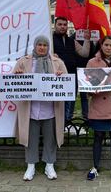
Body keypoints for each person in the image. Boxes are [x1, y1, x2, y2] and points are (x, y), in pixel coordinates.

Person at [13, 35, 67, 181]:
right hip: (30, 109)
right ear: (35, 46)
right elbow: (12, 84)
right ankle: (30, 166)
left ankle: (49, 165)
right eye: (39, 45)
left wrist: (60, 77)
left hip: (50, 109)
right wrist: (18, 76)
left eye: (44, 45)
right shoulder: (23, 61)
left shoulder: (57, 62)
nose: (42, 47)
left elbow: (66, 84)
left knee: (50, 139)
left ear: (48, 47)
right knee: (30, 139)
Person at [86, 36, 111, 182]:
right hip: (99, 106)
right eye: (106, 45)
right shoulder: (92, 62)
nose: (109, 48)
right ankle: (95, 167)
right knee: (98, 137)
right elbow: (87, 86)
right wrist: (92, 89)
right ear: (101, 46)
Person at [53, 17, 90, 122]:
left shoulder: (71, 41)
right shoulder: (50, 40)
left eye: (64, 24)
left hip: (72, 74)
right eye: (60, 24)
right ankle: (59, 122)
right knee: (58, 100)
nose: (62, 27)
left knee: (71, 98)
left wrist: (87, 39)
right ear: (55, 25)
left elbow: (84, 53)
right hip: (57, 75)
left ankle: (68, 121)